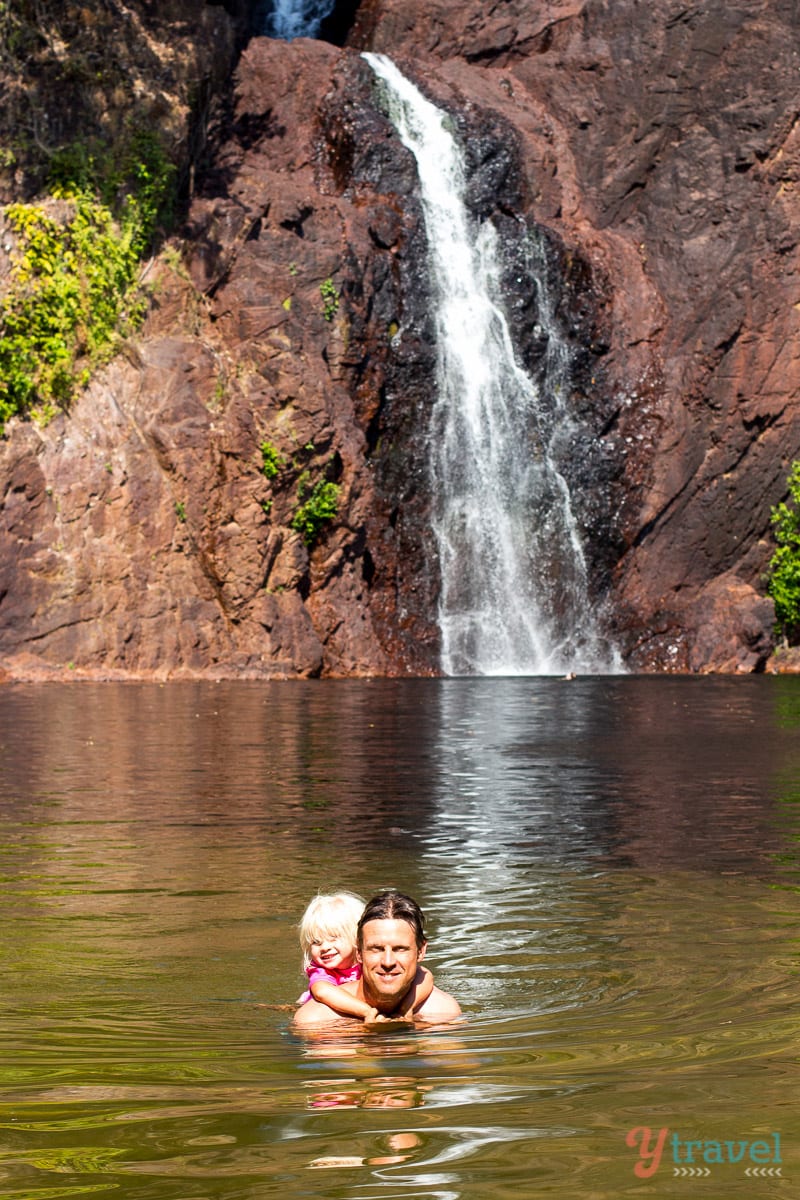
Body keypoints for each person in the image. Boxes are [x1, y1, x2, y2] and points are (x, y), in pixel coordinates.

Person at [293, 889, 461, 1028]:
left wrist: (405, 1010)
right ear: (359, 952)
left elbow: (425, 975)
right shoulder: (314, 1019)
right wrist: (365, 1017)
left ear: (421, 951)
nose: (388, 962)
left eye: (400, 949)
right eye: (376, 949)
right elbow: (322, 992)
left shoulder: (444, 1012)